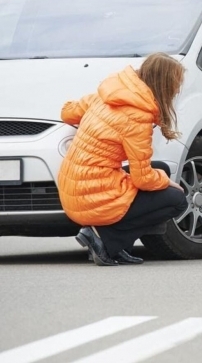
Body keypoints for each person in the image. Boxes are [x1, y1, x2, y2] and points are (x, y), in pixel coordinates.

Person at [58, 52, 189, 266]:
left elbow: (67, 112)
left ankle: (116, 245)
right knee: (177, 200)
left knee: (161, 167)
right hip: (92, 195)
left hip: (73, 185)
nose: (176, 91)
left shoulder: (110, 93)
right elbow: (142, 179)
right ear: (164, 85)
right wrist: (167, 181)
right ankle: (105, 239)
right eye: (176, 85)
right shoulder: (138, 116)